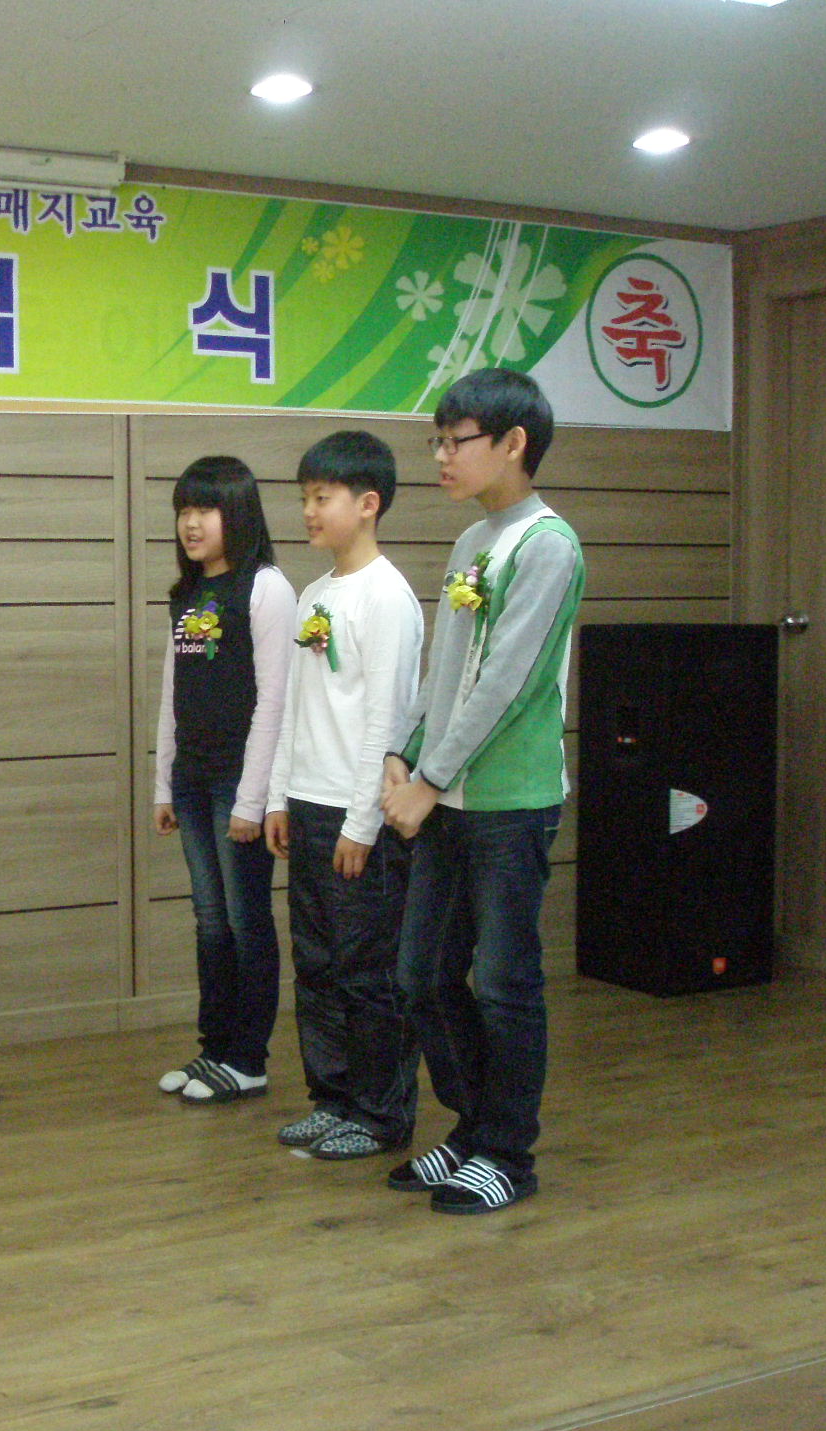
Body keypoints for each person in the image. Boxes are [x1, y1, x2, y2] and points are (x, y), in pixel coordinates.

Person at [381, 367, 586, 1214]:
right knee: (421, 976)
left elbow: (507, 681)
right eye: (437, 440)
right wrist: (402, 752)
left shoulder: (549, 546)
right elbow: (447, 666)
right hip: (445, 795)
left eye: (455, 441)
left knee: (504, 982)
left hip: (508, 802)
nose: (441, 456)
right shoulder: (472, 540)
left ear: (513, 443)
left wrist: (429, 778)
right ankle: (473, 1130)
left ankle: (508, 1153)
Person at [263, 430, 425, 1160]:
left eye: (321, 497)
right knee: (317, 965)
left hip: (360, 818)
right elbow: (297, 708)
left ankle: (381, 1113)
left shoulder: (387, 597)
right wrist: (278, 797)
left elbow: (387, 724)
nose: (308, 511)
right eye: (304, 498)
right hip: (309, 805)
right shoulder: (315, 594)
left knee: (368, 972)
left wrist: (363, 824)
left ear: (367, 504)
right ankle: (332, 1099)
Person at [152, 455, 296, 1104]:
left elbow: (275, 701)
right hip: (193, 778)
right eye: (184, 510)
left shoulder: (265, 587)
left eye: (205, 509)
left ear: (237, 514)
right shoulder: (187, 594)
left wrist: (252, 799)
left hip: (239, 783)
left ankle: (248, 1060)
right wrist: (164, 784)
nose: (191, 523)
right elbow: (171, 694)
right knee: (209, 920)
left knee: (245, 920)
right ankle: (215, 1052)